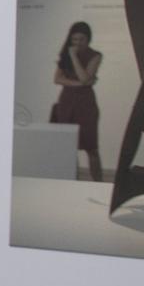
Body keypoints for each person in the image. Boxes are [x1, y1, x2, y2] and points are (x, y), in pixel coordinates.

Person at [49, 22, 103, 181]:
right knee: (68, 146)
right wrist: (80, 84)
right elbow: (57, 79)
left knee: (91, 147)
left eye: (81, 39)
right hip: (66, 102)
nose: (77, 43)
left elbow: (84, 77)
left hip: (86, 104)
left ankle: (98, 184)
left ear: (88, 39)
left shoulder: (96, 55)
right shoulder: (65, 55)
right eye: (74, 39)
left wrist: (73, 57)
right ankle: (72, 181)